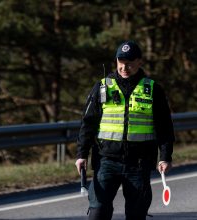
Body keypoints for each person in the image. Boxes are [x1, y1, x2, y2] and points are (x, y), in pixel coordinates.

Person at [75, 40, 175, 220]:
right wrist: (82, 154)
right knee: (98, 212)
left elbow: (165, 127)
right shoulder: (103, 87)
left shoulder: (152, 89)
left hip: (138, 163)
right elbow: (87, 123)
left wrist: (165, 156)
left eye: (129, 62)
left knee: (136, 215)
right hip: (106, 161)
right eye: (120, 62)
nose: (124, 67)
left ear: (139, 62)